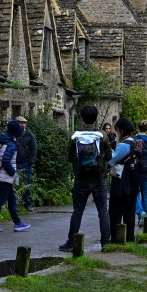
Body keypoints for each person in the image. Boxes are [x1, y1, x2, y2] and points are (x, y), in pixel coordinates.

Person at [59, 105, 112, 252]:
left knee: (78, 211)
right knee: (102, 211)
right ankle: (105, 243)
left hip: (81, 178)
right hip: (99, 177)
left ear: (81, 118)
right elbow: (108, 156)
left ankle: (71, 242)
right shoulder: (103, 135)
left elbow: (70, 158)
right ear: (96, 118)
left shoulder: (75, 136)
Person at [0, 120, 31, 233]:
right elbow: (6, 161)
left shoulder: (8, 141)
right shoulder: (11, 145)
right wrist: (13, 173)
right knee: (1, 200)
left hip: (5, 177)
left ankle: (17, 223)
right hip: (4, 177)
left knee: (12, 200)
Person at [108, 118, 143, 243]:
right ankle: (129, 238)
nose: (117, 132)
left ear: (121, 131)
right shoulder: (136, 143)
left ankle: (115, 239)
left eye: (117, 130)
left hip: (121, 183)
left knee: (115, 213)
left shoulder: (123, 145)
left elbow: (111, 161)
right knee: (129, 213)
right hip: (133, 183)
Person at [14, 116, 38, 211]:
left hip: (25, 163)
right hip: (14, 163)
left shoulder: (29, 135)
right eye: (21, 123)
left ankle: (28, 203)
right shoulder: (13, 135)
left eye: (24, 123)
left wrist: (31, 162)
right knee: (15, 184)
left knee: (26, 184)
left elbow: (34, 149)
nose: (23, 125)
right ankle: (15, 204)